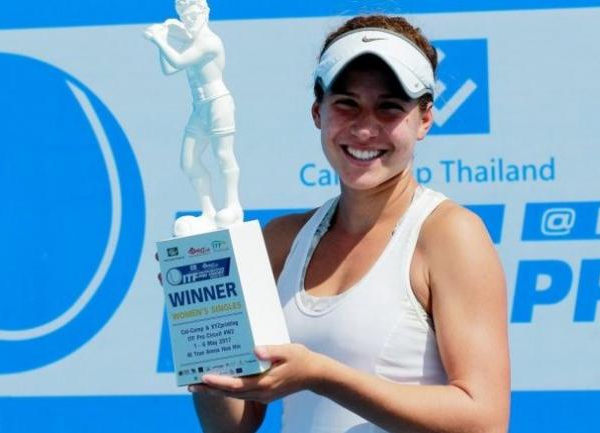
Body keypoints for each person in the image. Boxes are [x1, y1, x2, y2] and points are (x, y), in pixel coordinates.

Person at [189, 15, 510, 433]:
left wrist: (323, 375)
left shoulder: (450, 234)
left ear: (425, 119)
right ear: (317, 111)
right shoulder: (281, 240)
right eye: (347, 104)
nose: (364, 128)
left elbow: (485, 421)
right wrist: (201, 326)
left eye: (389, 108)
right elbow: (233, 426)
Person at [145, 0, 242, 236]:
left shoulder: (209, 42)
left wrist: (159, 39)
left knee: (223, 155)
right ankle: (208, 213)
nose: (189, 21)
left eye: (193, 15)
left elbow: (178, 61)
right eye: (185, 16)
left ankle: (233, 206)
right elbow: (169, 69)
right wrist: (164, 40)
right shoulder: (191, 43)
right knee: (188, 161)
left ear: (205, 12)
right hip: (199, 108)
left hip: (218, 103)